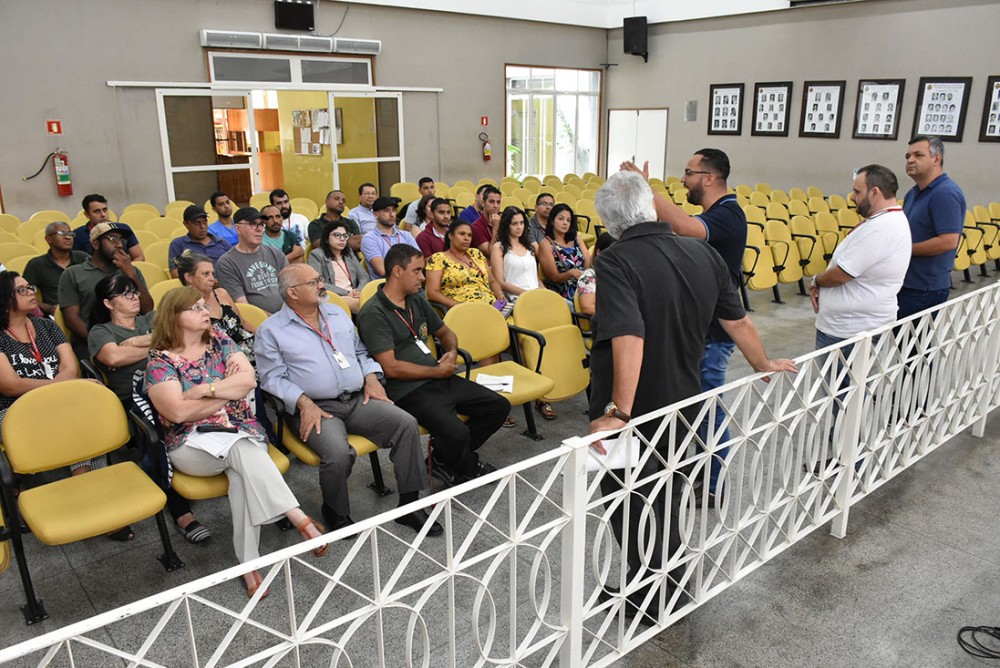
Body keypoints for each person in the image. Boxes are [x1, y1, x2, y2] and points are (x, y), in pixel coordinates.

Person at [587, 172, 796, 623]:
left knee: (628, 502)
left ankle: (654, 597)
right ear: (650, 207)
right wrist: (761, 364)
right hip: (686, 396)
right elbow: (736, 319)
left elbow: (628, 333)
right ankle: (666, 582)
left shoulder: (617, 261)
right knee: (667, 493)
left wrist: (617, 410)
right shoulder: (703, 253)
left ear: (610, 223)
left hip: (636, 407)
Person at [146, 287, 328, 597]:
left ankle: (249, 567)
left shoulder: (219, 340)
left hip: (239, 429)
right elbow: (177, 412)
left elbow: (248, 381)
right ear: (173, 318)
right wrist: (225, 394)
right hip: (190, 444)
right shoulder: (160, 364)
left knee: (241, 474)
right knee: (242, 448)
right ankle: (297, 517)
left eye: (205, 305)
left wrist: (204, 389)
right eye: (195, 308)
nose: (206, 311)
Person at [254, 264, 442, 536]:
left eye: (320, 279)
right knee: (338, 453)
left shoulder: (336, 313)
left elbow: (361, 352)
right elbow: (271, 378)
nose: (322, 285)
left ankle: (410, 506)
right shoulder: (271, 330)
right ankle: (335, 510)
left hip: (357, 398)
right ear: (293, 293)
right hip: (316, 407)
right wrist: (304, 402)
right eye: (315, 281)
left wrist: (371, 378)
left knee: (405, 424)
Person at [621, 149, 746, 502]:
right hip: (697, 329)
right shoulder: (715, 213)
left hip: (714, 333)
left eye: (689, 172)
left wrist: (645, 189)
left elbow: (684, 227)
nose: (683, 179)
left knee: (707, 410)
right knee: (692, 407)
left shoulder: (729, 215)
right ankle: (693, 470)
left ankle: (712, 484)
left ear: (709, 177)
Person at [357, 245, 509, 486]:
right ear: (397, 271)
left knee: (498, 406)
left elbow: (445, 331)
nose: (422, 277)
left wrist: (450, 351)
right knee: (455, 432)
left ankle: (441, 459)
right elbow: (391, 368)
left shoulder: (416, 298)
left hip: (438, 376)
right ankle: (467, 466)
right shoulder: (374, 312)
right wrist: (437, 371)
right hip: (407, 390)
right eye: (417, 271)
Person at [89, 274, 212, 545]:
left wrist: (137, 344)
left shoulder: (150, 318)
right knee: (156, 429)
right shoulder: (102, 331)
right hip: (137, 397)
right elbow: (112, 357)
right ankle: (181, 512)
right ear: (109, 303)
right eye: (125, 294)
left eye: (134, 291)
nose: (135, 297)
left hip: (182, 382)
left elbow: (186, 335)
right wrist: (161, 345)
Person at [810, 165, 911, 348]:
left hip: (851, 332)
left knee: (839, 378)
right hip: (853, 328)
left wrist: (816, 281)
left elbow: (842, 274)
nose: (852, 197)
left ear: (874, 193)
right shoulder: (884, 221)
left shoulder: (882, 227)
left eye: (857, 191)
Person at [58, 222, 153, 361]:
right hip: (94, 339)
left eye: (122, 240)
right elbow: (71, 319)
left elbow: (147, 309)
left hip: (136, 336)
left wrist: (131, 274)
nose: (120, 245)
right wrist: (101, 341)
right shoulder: (73, 273)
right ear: (96, 244)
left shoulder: (131, 270)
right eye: (112, 239)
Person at [897, 134, 965, 318]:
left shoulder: (945, 193)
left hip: (923, 289)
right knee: (899, 345)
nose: (910, 160)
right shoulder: (914, 193)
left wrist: (903, 249)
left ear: (937, 159)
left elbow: (948, 241)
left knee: (912, 345)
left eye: (918, 155)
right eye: (908, 156)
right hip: (907, 283)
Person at [215, 207, 288, 314]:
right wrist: (276, 320)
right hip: (258, 322)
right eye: (253, 224)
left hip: (288, 315)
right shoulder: (227, 263)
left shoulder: (275, 253)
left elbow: (291, 288)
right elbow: (243, 306)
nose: (259, 229)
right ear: (238, 228)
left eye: (261, 224)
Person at [425, 220, 507, 314]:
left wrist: (499, 293)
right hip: (462, 311)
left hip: (491, 307)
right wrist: (458, 306)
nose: (466, 238)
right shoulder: (438, 259)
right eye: (462, 234)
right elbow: (432, 293)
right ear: (450, 236)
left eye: (469, 235)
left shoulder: (476, 254)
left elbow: (492, 281)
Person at [23, 221, 89, 316]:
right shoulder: (37, 264)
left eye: (70, 234)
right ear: (49, 239)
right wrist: (46, 307)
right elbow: (23, 295)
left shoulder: (83, 258)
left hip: (86, 310)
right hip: (57, 315)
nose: (68, 237)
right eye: (62, 234)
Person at [307, 220, 369, 313]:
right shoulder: (317, 255)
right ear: (327, 238)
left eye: (345, 236)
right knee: (365, 306)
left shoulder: (349, 254)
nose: (342, 239)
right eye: (337, 235)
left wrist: (358, 291)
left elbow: (364, 276)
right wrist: (347, 293)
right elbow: (319, 283)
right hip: (333, 296)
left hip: (354, 295)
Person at [538, 203, 591, 302]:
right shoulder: (546, 244)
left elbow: (587, 262)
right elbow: (554, 277)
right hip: (563, 289)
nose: (565, 223)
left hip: (583, 283)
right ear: (552, 221)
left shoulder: (576, 237)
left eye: (568, 220)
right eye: (561, 219)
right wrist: (570, 273)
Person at [359, 197, 419, 279]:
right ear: (376, 214)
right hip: (386, 286)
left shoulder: (406, 235)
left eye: (394, 210)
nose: (392, 214)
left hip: (411, 283)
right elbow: (383, 270)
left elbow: (419, 261)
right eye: (386, 211)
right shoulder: (369, 238)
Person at [73, 194, 144, 261]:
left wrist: (126, 269)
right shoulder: (78, 234)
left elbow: (139, 257)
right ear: (87, 215)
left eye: (105, 210)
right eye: (97, 211)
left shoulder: (124, 229)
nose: (103, 214)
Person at [490, 205, 539, 302]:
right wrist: (527, 294)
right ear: (506, 225)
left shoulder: (529, 247)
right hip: (516, 297)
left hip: (536, 294)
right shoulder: (498, 248)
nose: (519, 227)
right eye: (514, 224)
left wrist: (545, 292)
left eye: (522, 223)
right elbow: (500, 282)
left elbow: (536, 278)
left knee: (565, 304)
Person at [167, 205, 231, 276]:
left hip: (225, 283)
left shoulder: (221, 242)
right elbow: (175, 273)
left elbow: (235, 266)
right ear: (186, 224)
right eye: (197, 223)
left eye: (205, 222)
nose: (202, 227)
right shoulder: (178, 244)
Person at [575, 232, 615, 316]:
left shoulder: (621, 273)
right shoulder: (589, 277)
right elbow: (588, 308)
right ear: (599, 252)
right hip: (605, 322)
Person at [470, 185, 502, 255]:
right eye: (491, 202)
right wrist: (496, 228)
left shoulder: (504, 223)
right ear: (483, 203)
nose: (495, 206)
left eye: (498, 202)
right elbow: (490, 253)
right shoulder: (476, 227)